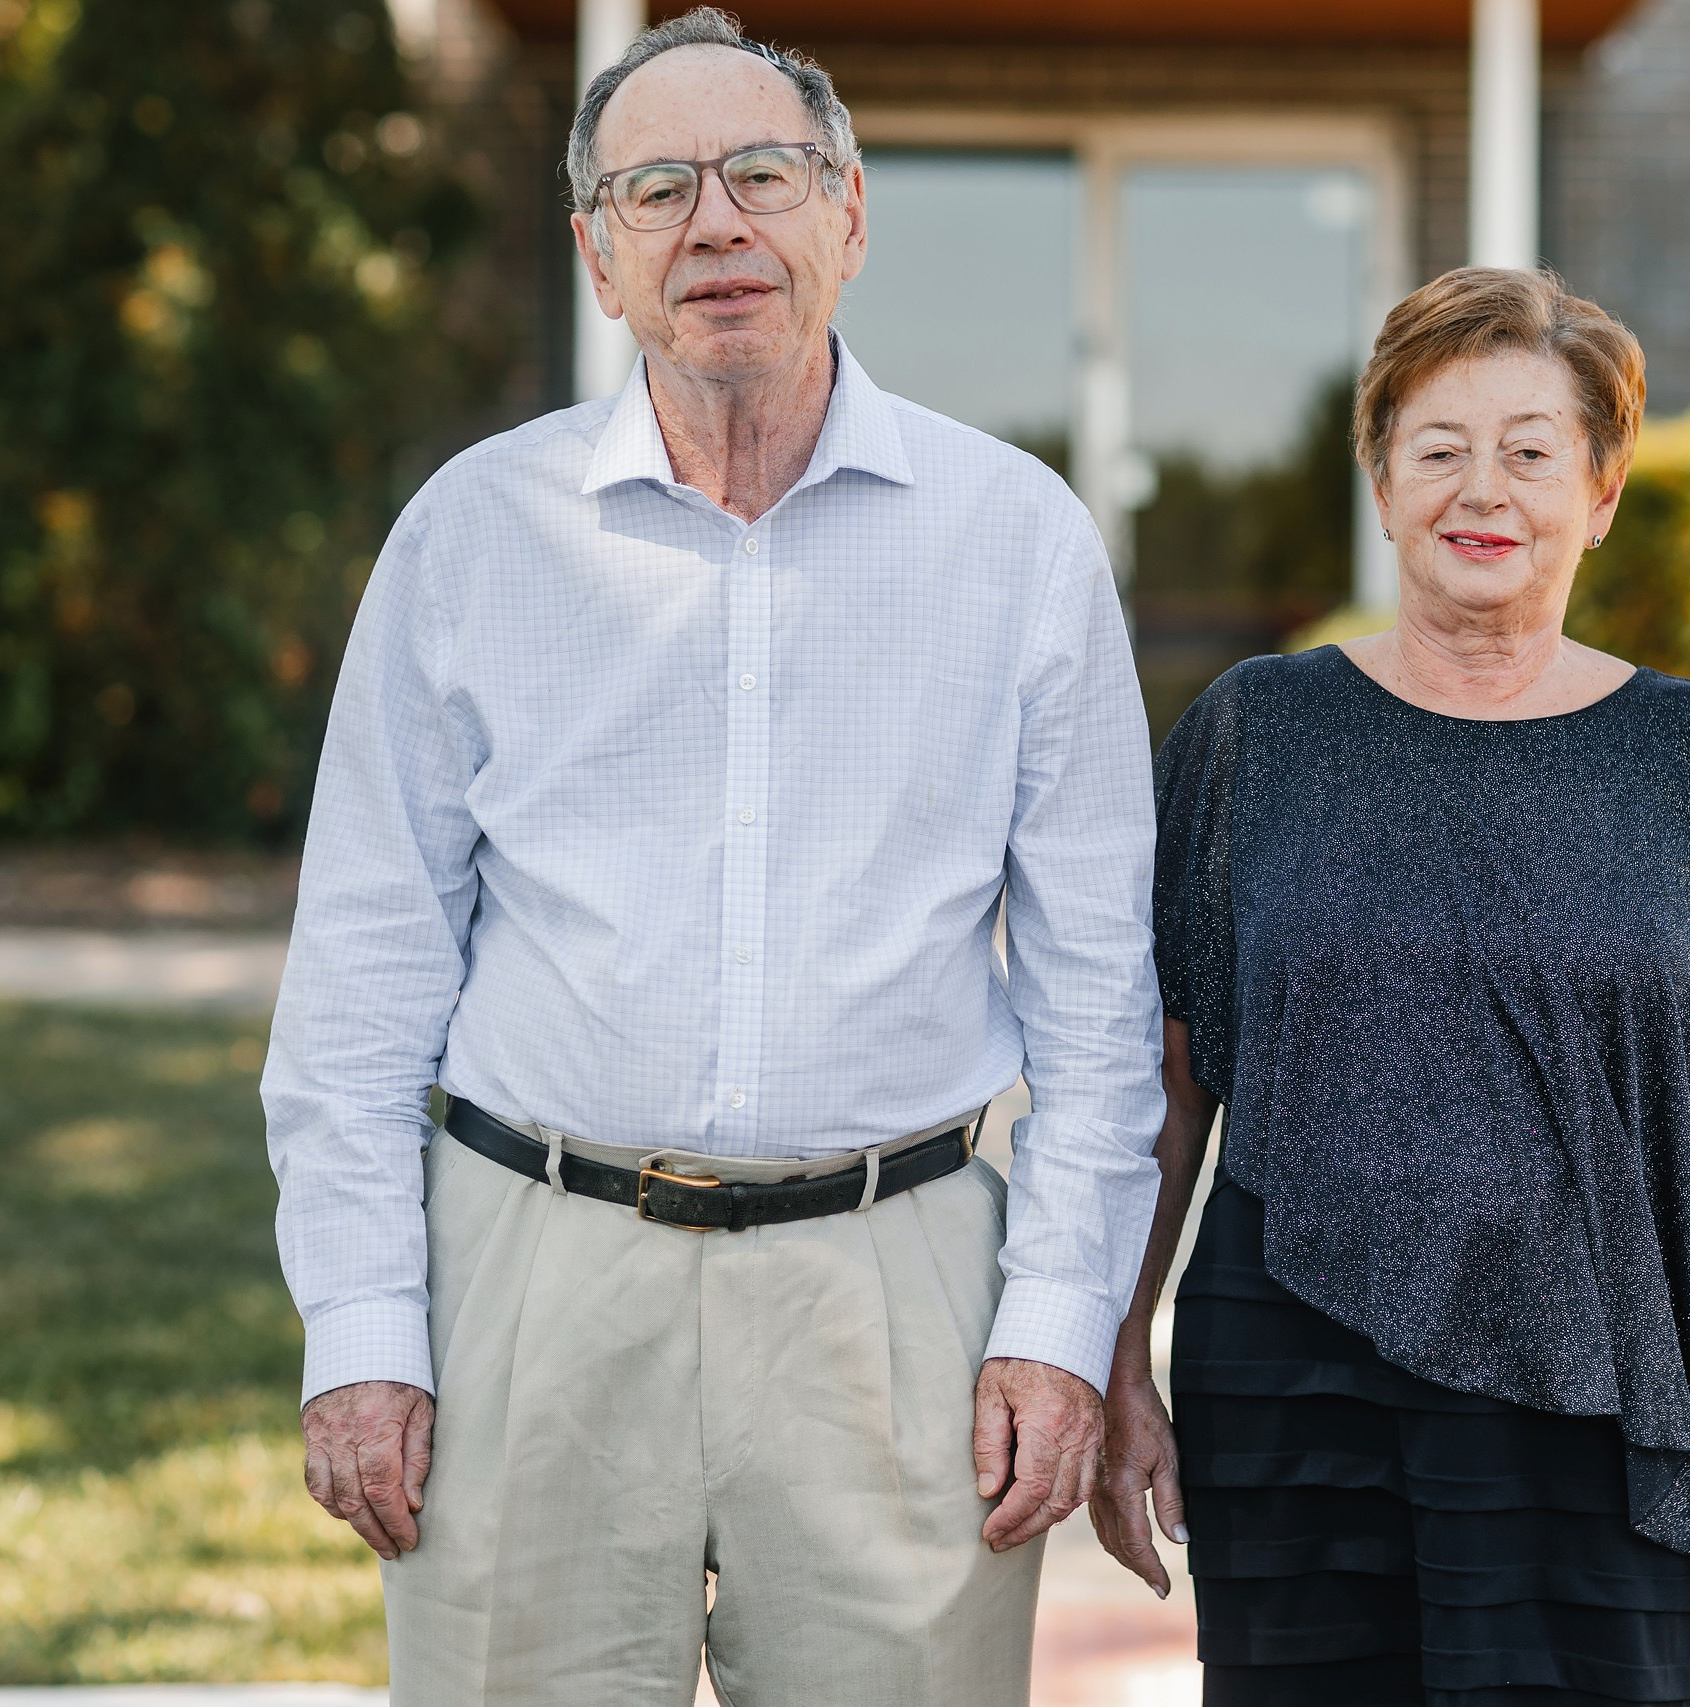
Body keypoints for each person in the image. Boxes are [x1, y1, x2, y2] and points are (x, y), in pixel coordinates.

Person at [261, 12, 1164, 1705]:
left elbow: (1100, 1002)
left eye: (764, 174)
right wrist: (364, 1330)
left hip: (898, 1291)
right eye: (657, 190)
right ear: (598, 257)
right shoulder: (473, 534)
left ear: (849, 215)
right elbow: (363, 980)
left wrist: (1054, 1326)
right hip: (528, 1277)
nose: (718, 224)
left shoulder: (1016, 539)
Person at [1086, 267, 1690, 1707]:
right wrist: (1117, 1357)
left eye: (1530, 450)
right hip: (1295, 1391)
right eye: (1438, 448)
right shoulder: (1258, 734)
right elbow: (1166, 1094)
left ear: (1601, 492)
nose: (1482, 490)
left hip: (1602, 1382)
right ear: (1383, 486)